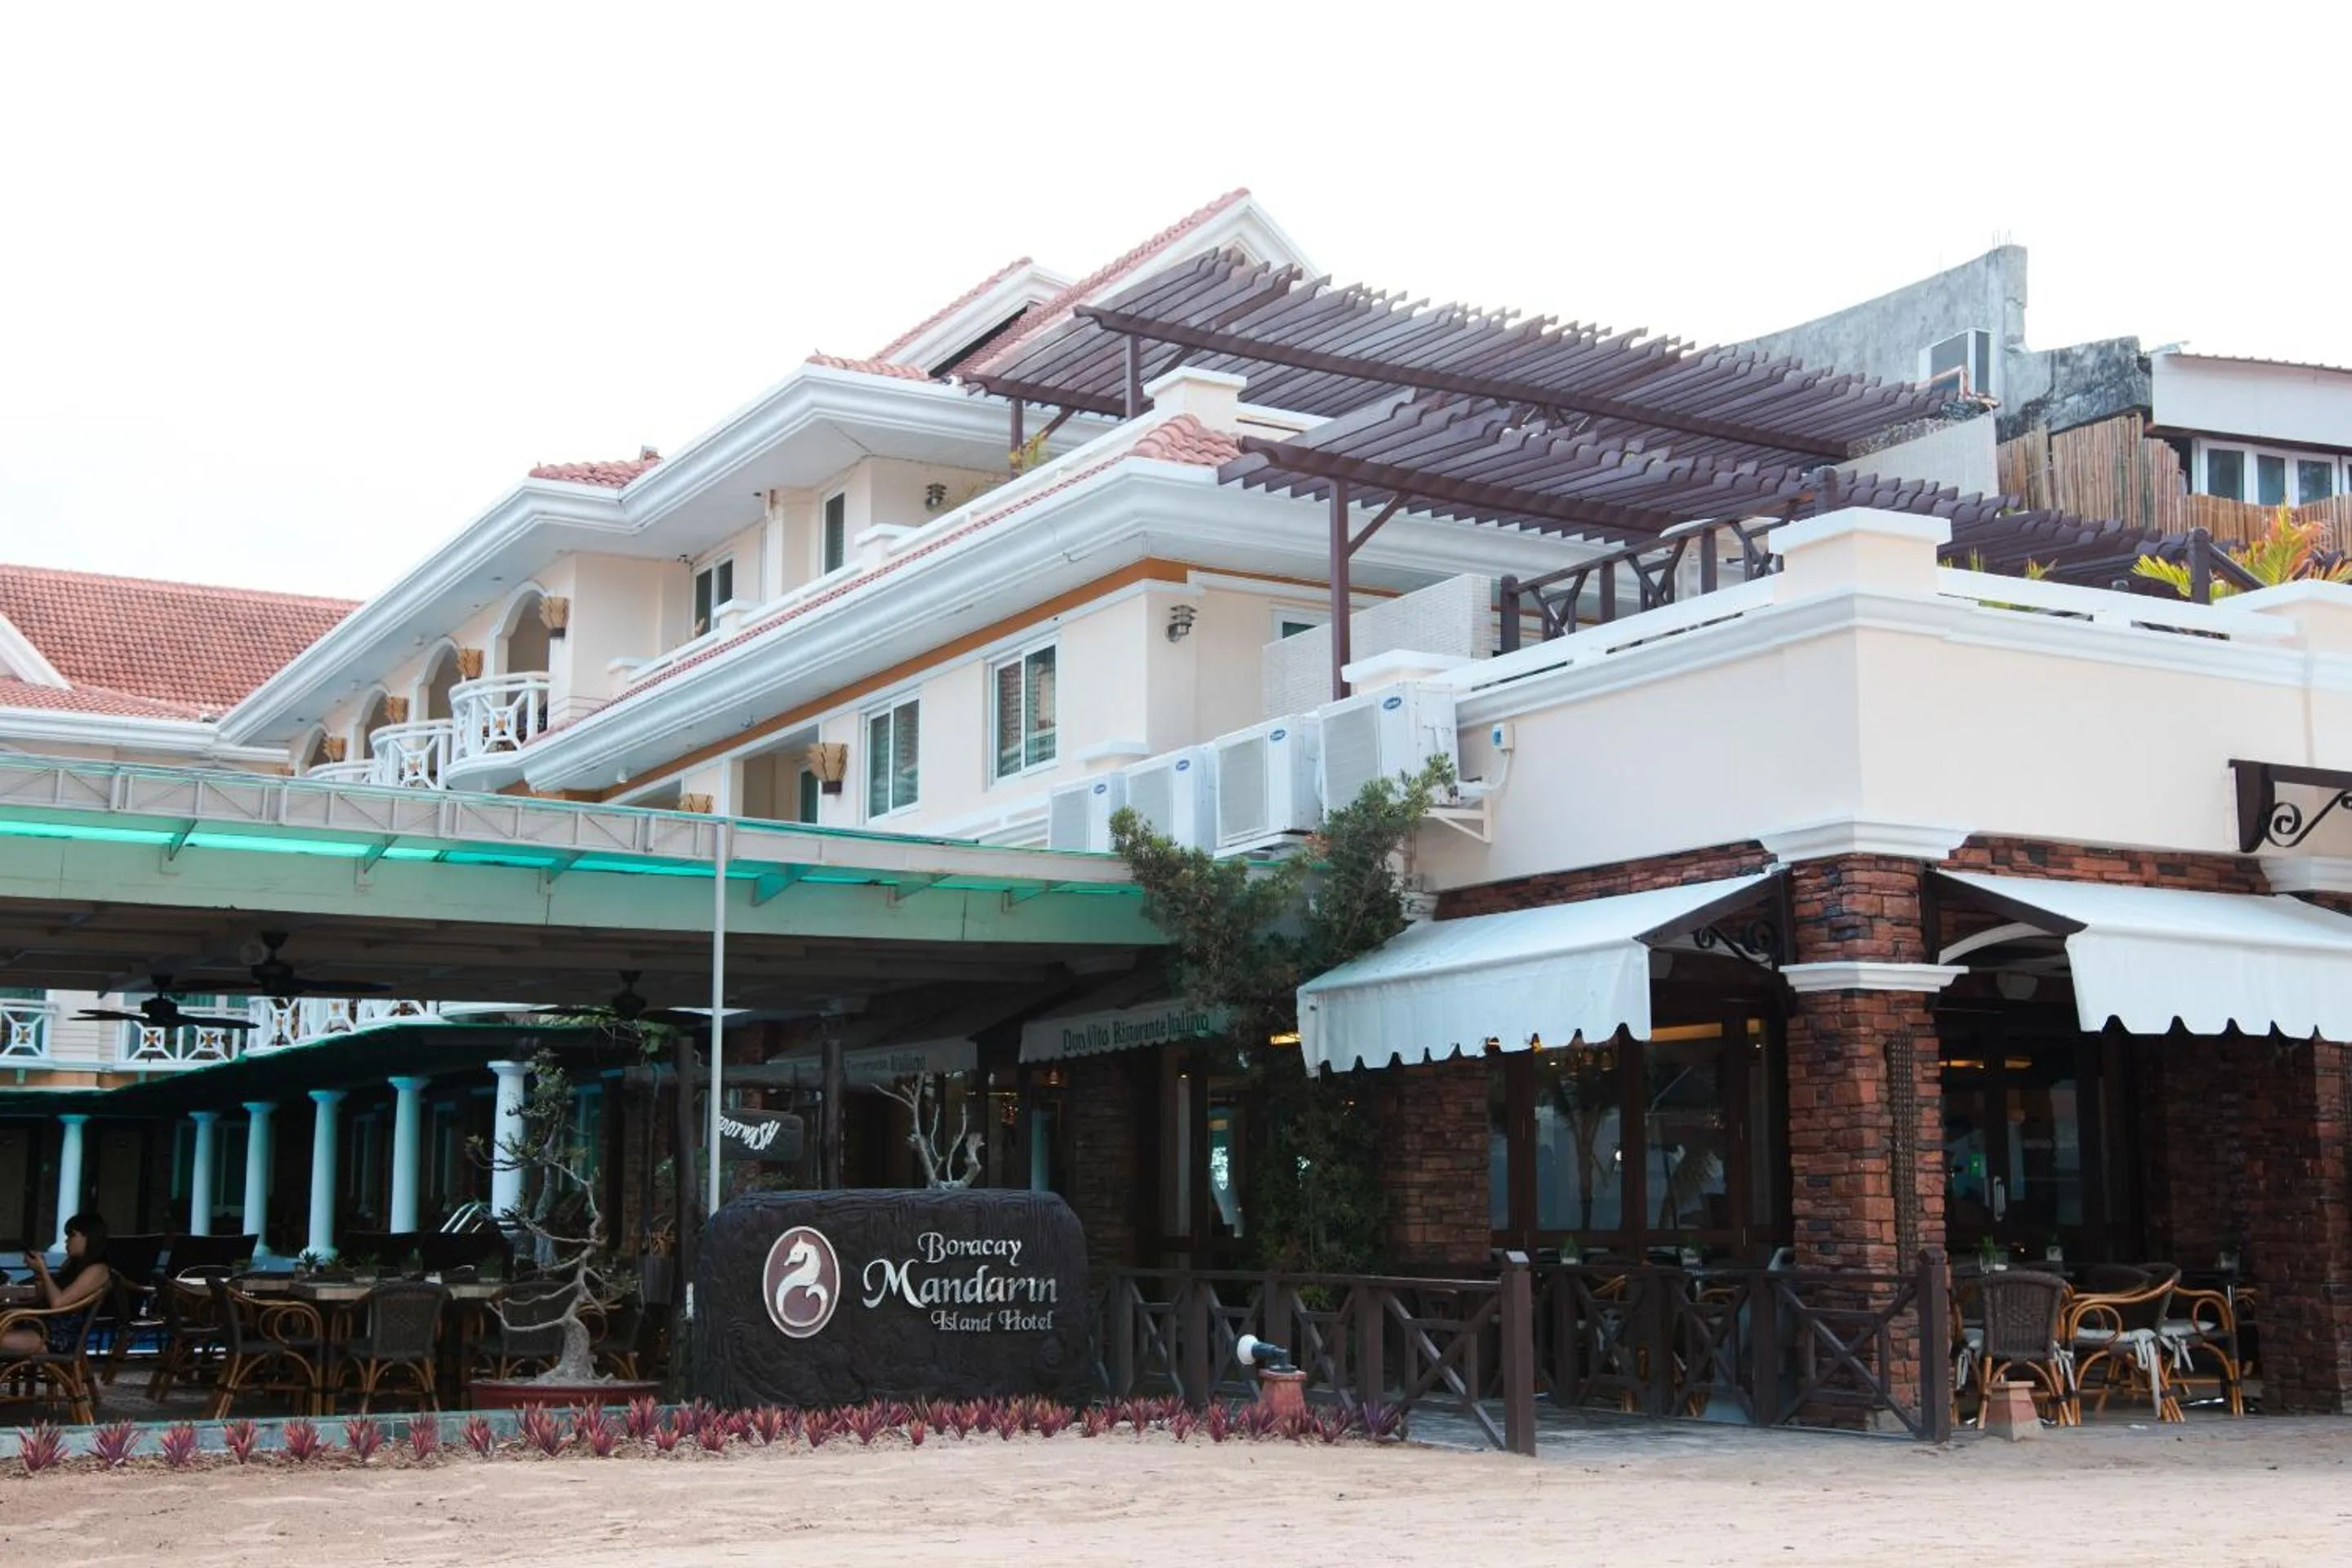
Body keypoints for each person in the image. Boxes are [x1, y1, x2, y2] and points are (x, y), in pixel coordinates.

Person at [2, 1213, 112, 1353]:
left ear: (89, 1238)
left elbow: (58, 1303)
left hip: (58, 1337)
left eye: (72, 1235)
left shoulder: (98, 1270)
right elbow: (44, 1297)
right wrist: (38, 1273)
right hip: (41, 1326)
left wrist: (44, 1270)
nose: (66, 1241)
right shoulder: (72, 1264)